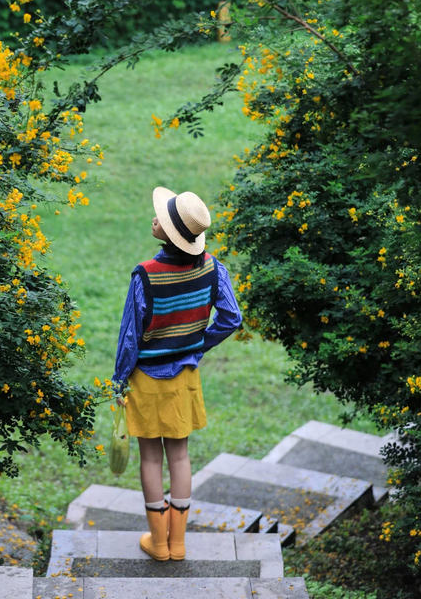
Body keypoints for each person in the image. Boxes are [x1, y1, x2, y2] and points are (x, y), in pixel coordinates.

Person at [113, 186, 243, 563]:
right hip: (185, 378)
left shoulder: (146, 276)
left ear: (169, 234)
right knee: (181, 456)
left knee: (151, 458)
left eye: (162, 218)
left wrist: (119, 381)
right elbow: (231, 318)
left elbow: (130, 337)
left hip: (145, 380)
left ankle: (158, 542)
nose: (155, 218)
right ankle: (178, 543)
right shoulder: (212, 268)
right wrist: (198, 344)